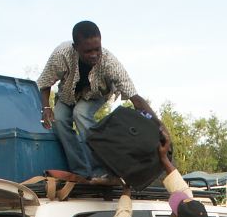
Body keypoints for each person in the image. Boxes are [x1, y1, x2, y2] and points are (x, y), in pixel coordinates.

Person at [37, 20, 154, 177]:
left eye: (97, 49)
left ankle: (101, 170)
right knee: (58, 120)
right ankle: (81, 171)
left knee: (80, 113)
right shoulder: (61, 55)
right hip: (67, 94)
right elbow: (44, 83)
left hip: (96, 94)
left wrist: (159, 127)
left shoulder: (109, 61)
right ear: (75, 48)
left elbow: (135, 98)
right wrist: (46, 108)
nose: (94, 55)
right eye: (88, 51)